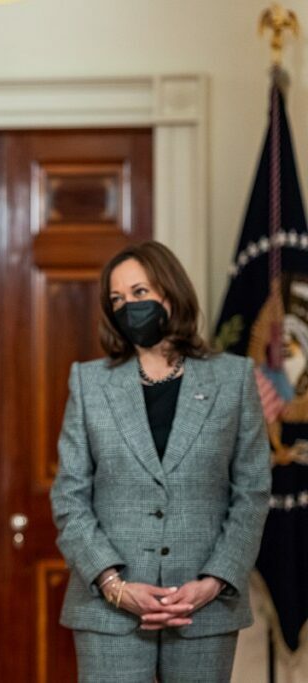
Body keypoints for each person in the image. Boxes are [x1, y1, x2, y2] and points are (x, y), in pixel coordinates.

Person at [50, 241, 270, 682]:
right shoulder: (90, 383)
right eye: (117, 300)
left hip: (204, 613)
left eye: (139, 293)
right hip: (108, 614)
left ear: (170, 293)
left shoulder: (233, 379)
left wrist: (213, 582)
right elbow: (69, 497)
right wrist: (115, 586)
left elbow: (251, 492)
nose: (129, 306)